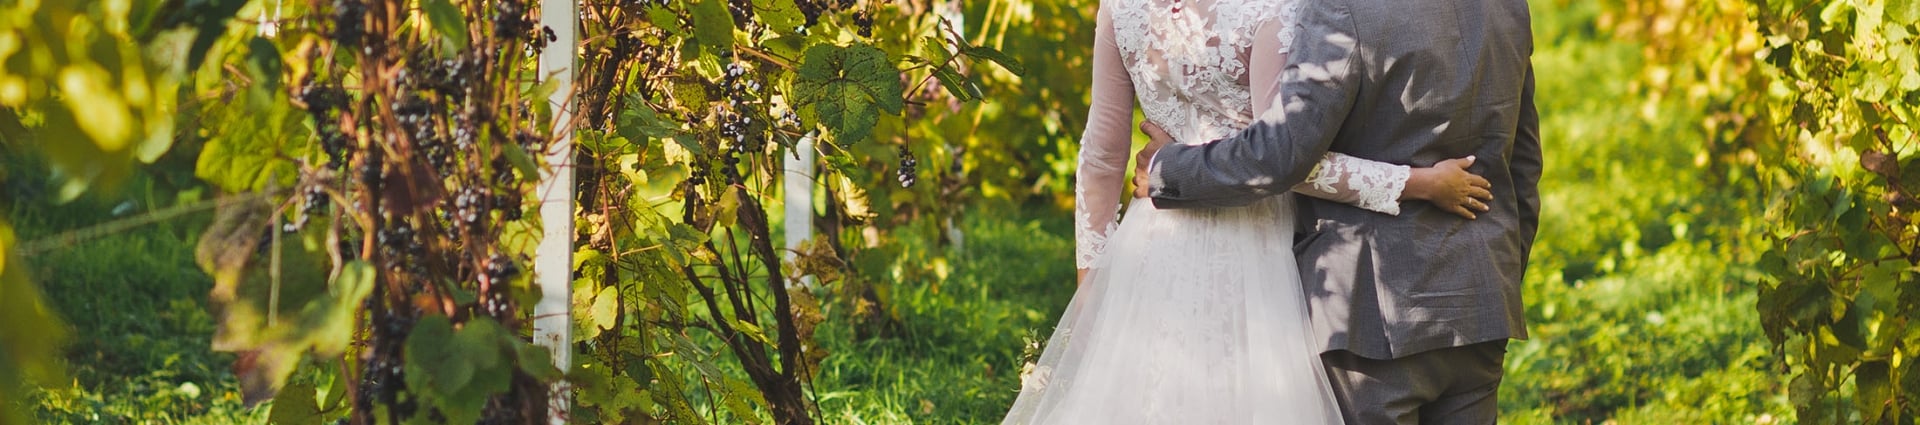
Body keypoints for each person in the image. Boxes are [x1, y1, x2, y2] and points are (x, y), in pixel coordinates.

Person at [1001, 0, 1496, 422]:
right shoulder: (1269, 9)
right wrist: (1416, 183)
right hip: (1252, 248)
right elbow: (1286, 162)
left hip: (1149, 246)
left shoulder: (1122, 6)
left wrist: (1092, 283)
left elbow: (1101, 157)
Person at [1133, 0, 1541, 422]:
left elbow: (1281, 153)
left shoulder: (1342, 9)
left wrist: (1171, 168)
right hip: (1481, 300)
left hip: (1371, 313)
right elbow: (1523, 162)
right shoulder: (1505, 6)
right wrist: (1502, 271)